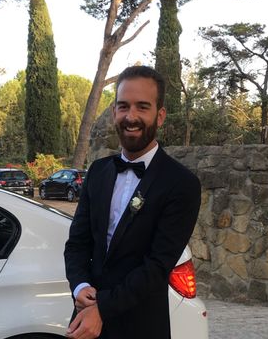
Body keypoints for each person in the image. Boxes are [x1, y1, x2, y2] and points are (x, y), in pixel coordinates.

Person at [64, 65, 201, 339]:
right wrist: (80, 287)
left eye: (142, 107)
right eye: (124, 106)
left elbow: (157, 266)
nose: (131, 116)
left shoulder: (181, 183)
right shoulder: (98, 171)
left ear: (160, 115)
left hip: (141, 324)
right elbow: (77, 243)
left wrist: (102, 309)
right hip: (86, 322)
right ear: (114, 111)